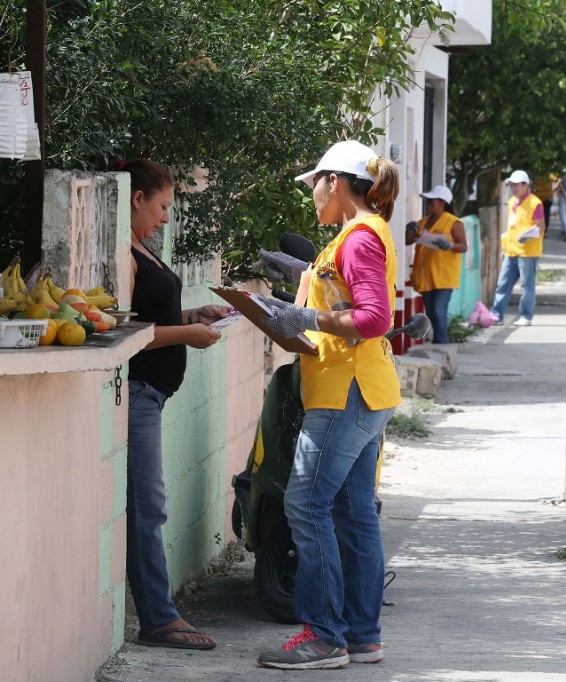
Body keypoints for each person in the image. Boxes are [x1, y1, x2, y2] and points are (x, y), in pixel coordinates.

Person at [256, 140, 400, 670]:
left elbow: (372, 318)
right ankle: (362, 635)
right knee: (352, 512)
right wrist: (303, 275)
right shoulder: (360, 234)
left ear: (335, 182)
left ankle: (324, 637)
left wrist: (306, 319)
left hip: (345, 393)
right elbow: (343, 294)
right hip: (364, 391)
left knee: (306, 504)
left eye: (314, 184)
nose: (312, 196)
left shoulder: (359, 238)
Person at [123, 158, 230, 650]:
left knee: (151, 505)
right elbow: (130, 335)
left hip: (153, 396)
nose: (166, 218)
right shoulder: (123, 256)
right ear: (138, 198)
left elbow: (154, 314)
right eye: (162, 206)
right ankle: (158, 619)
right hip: (139, 392)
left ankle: (162, 614)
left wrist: (194, 314)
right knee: (150, 508)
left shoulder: (142, 249)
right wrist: (188, 333)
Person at [405, 184, 467, 344]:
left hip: (444, 276)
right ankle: (439, 343)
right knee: (431, 313)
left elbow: (463, 246)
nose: (429, 203)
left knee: (439, 312)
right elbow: (408, 241)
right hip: (426, 276)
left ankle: (442, 344)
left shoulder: (454, 223)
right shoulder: (423, 222)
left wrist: (450, 246)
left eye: (432, 200)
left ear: (442, 202)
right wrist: (410, 230)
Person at [489, 170, 546, 327]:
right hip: (511, 250)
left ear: (525, 185)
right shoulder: (512, 202)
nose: (513, 188)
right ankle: (496, 315)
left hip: (528, 252)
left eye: (516, 185)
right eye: (511, 185)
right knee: (503, 284)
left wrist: (528, 235)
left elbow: (540, 227)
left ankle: (526, 316)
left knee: (527, 286)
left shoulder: (535, 203)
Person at [554, 174, 566, 241]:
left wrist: (565, 195)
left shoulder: (562, 173)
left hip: (564, 194)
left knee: (563, 214)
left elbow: (560, 184)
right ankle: (565, 230)